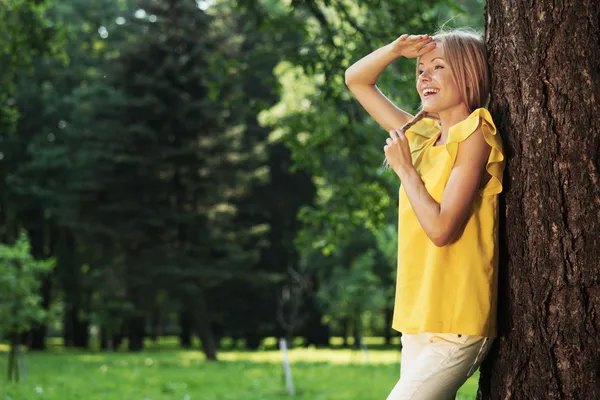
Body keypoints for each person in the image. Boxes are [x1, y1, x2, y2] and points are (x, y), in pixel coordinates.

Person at [345, 28, 505, 399]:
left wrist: (405, 170)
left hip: (459, 321)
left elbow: (442, 230)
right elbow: (356, 79)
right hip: (418, 317)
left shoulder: (476, 133)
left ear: (468, 74)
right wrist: (393, 49)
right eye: (419, 70)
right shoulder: (420, 135)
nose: (424, 77)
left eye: (437, 67)